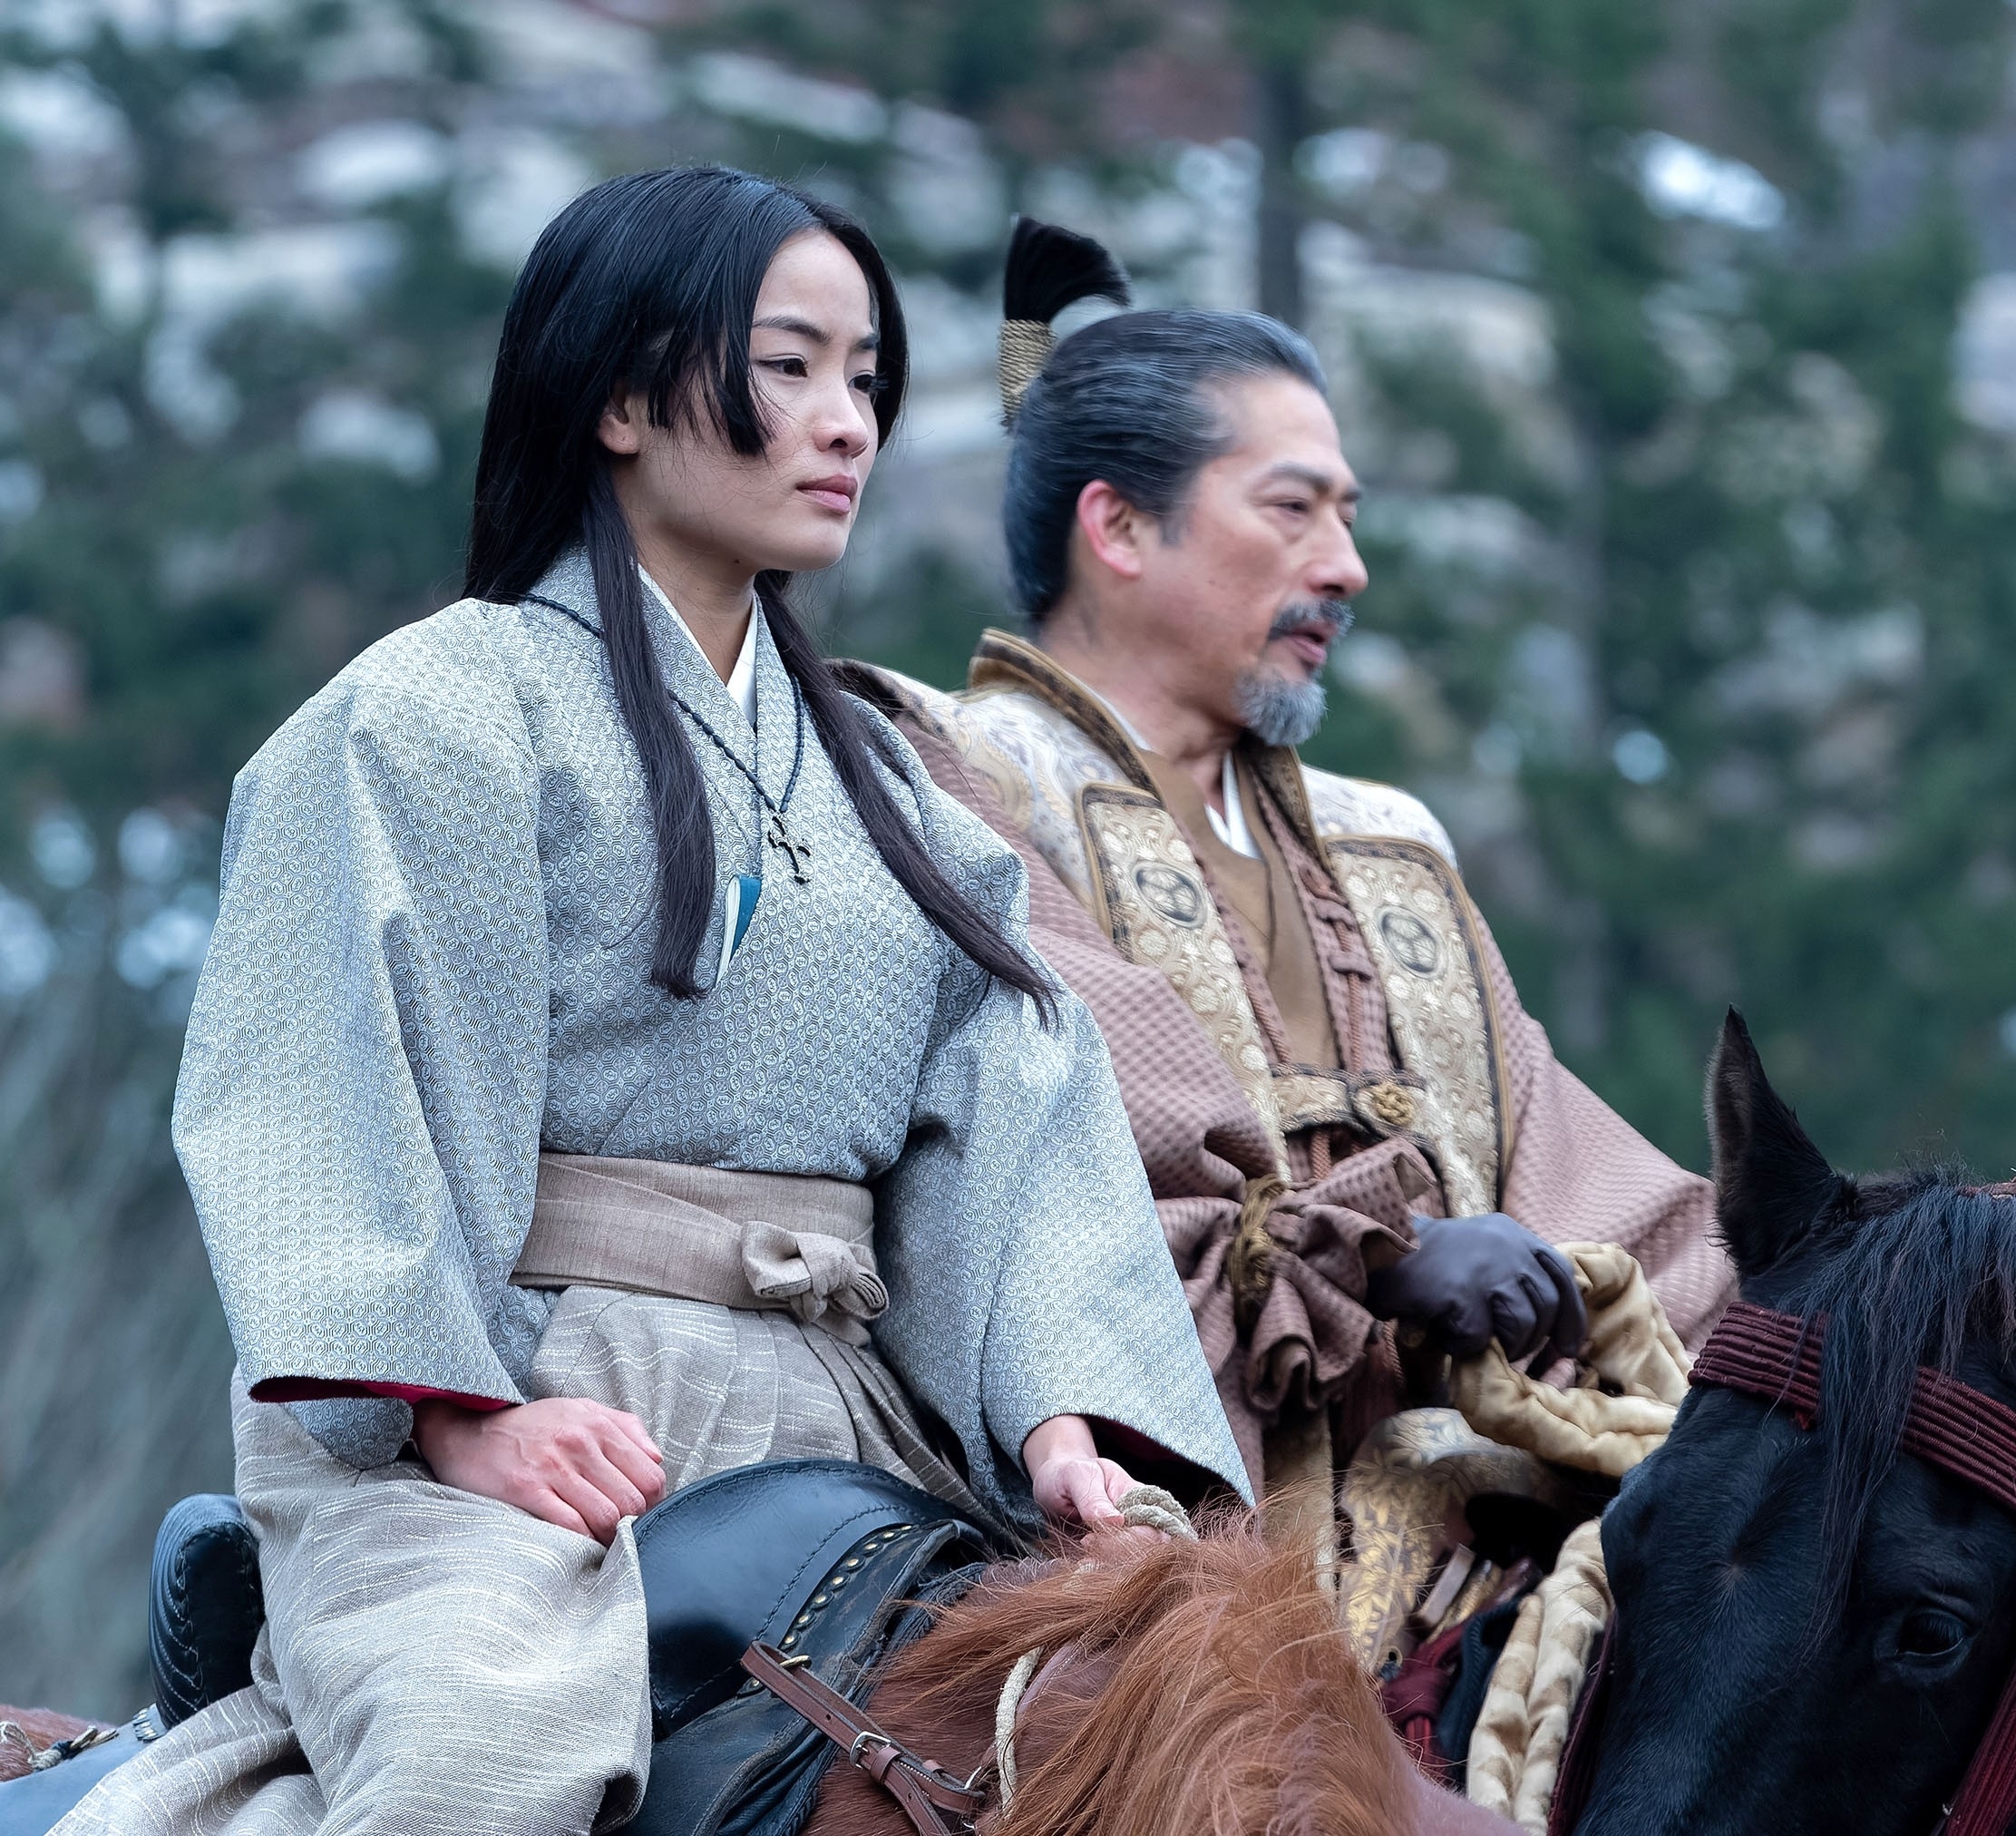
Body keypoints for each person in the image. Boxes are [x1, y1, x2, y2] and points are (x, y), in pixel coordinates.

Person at [60, 171, 1242, 1836]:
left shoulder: (896, 790)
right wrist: (465, 1421)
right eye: (790, 368)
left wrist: (1053, 1422)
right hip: (516, 1413)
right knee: (487, 1767)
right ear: (618, 395)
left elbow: (1010, 1110)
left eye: (869, 382)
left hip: (856, 1413)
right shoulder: (429, 714)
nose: (848, 424)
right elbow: (325, 1100)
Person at [860, 221, 1735, 1511]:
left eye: (1349, 515)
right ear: (1119, 525)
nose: (1347, 567)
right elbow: (1022, 1183)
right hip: (1128, 1553)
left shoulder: (1390, 839)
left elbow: (1601, 1193)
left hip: (1459, 1533)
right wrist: (1378, 1258)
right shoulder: (952, 774)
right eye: (1292, 509)